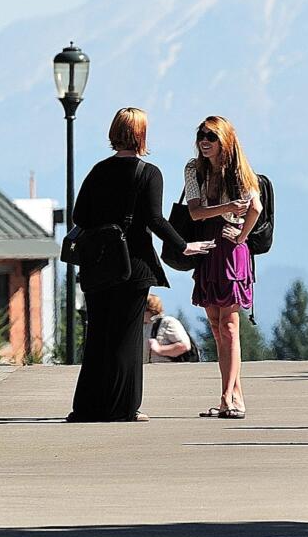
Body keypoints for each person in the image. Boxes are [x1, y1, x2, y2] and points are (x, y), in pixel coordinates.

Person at [67, 107, 205, 423]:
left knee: (98, 335)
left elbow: (80, 217)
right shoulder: (148, 173)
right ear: (141, 135)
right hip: (134, 265)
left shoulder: (98, 171)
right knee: (126, 339)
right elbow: (155, 219)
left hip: (99, 265)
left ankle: (88, 406)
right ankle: (124, 406)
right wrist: (184, 246)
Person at [184, 116, 262, 420]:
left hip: (230, 251)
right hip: (209, 247)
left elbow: (255, 207)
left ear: (225, 140)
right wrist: (228, 209)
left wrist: (242, 235)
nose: (205, 141)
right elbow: (194, 212)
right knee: (217, 326)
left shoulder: (239, 172)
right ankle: (235, 397)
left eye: (211, 137)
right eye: (202, 135)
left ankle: (227, 395)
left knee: (228, 326)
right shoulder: (194, 169)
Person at [143, 294, 194, 363]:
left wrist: (160, 349)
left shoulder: (167, 322)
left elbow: (184, 346)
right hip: (150, 370)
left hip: (168, 370)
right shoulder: (143, 326)